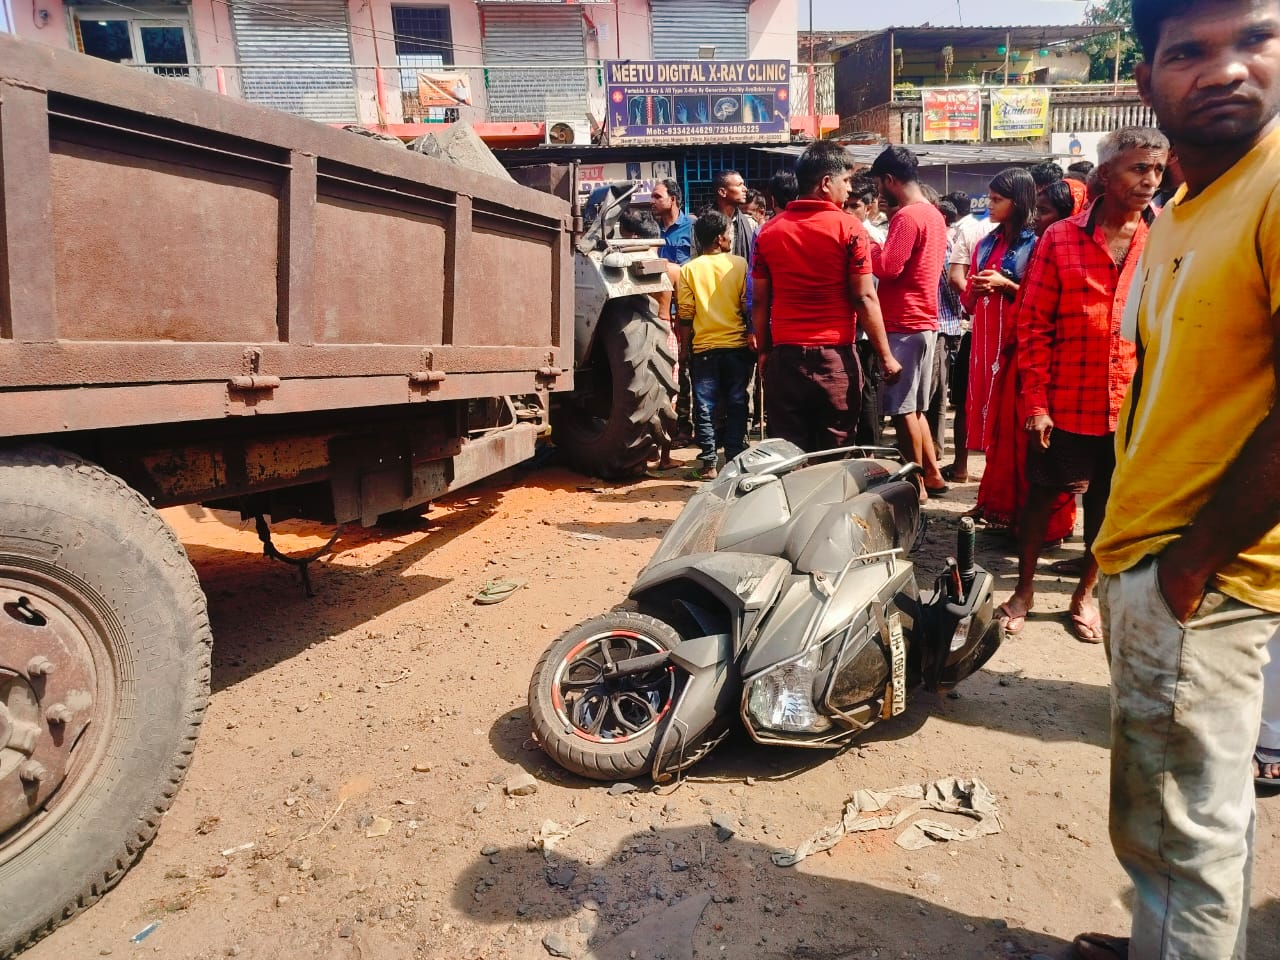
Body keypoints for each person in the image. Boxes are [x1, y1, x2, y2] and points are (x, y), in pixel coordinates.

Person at [1073, 2, 1280, 957]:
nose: (1226, 69)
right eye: (1189, 52)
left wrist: (1192, 563)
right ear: (1148, 81)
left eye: (1255, 40)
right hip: (1154, 559)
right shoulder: (1188, 214)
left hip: (1207, 573)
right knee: (1177, 830)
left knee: (1178, 840)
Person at [997, 126, 1169, 644]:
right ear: (1106, 173)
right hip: (1066, 402)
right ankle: (1023, 590)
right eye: (1139, 168)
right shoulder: (1060, 237)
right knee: (1042, 497)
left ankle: (1083, 595)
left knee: (1106, 505)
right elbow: (1033, 325)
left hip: (1131, 405)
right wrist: (1036, 403)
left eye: (1157, 170)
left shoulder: (1163, 237)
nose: (1150, 180)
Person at [751, 141, 901, 453]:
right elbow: (864, 298)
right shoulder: (850, 229)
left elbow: (761, 302)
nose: (849, 190)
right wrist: (885, 355)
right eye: (845, 181)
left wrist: (764, 352)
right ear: (825, 183)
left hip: (785, 359)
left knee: (790, 456)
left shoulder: (768, 232)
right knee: (835, 452)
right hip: (834, 360)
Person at [954, 168, 1075, 543]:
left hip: (1018, 346)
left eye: (996, 200)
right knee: (993, 430)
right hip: (985, 345)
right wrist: (973, 289)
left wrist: (1006, 285)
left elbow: (1041, 298)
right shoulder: (986, 242)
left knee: (1015, 429)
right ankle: (995, 502)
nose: (988, 206)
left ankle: (1022, 510)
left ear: (1018, 202)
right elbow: (968, 301)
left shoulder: (1037, 243)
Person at [868, 145, 949, 499]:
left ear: (889, 180)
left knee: (902, 411)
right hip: (923, 320)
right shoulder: (932, 213)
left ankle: (913, 485)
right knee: (913, 408)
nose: (878, 194)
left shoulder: (907, 217)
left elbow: (888, 267)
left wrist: (867, 246)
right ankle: (931, 474)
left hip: (904, 321)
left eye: (878, 185)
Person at [677, 212, 751, 481]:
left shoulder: (688, 269)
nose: (731, 237)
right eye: (729, 233)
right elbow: (746, 305)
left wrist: (684, 349)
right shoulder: (739, 265)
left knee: (704, 407)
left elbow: (686, 313)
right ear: (720, 238)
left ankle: (708, 464)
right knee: (737, 402)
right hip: (736, 347)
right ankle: (733, 458)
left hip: (704, 349)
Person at [941, 190, 995, 482]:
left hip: (981, 329)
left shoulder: (975, 231)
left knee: (965, 400)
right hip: (984, 329)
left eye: (998, 199)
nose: (991, 205)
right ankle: (973, 469)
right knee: (967, 399)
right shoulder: (1028, 234)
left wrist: (973, 298)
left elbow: (956, 277)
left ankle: (963, 466)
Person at [711, 169, 758, 260]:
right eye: (739, 185)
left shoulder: (750, 223)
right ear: (722, 192)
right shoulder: (704, 224)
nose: (745, 189)